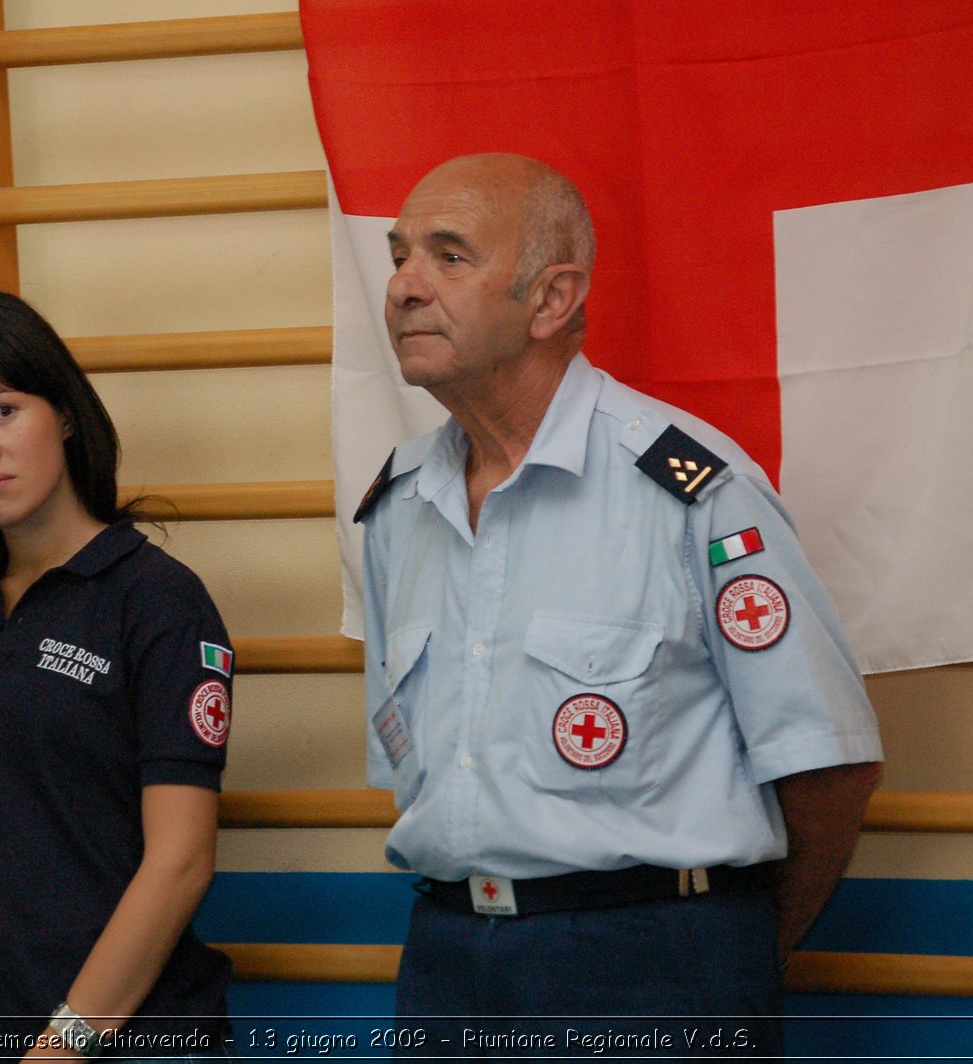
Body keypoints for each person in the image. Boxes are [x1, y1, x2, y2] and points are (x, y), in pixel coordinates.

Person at [355, 154, 884, 1057]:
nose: (404, 286)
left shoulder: (688, 490)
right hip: (448, 957)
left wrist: (729, 956)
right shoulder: (399, 505)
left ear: (552, 300)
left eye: (448, 256)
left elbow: (826, 765)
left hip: (654, 965)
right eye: (401, 254)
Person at [0, 292, 236, 1061]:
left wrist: (62, 1047)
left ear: (64, 414)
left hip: (122, 1041)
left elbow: (181, 862)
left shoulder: (159, 601)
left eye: (1, 411)